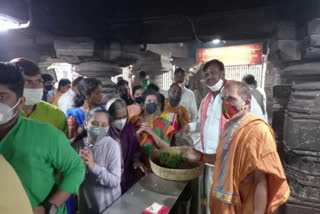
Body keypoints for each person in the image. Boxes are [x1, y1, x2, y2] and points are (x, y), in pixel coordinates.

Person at [183, 80, 290, 214]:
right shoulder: (230, 127)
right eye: (223, 99)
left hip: (244, 205)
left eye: (231, 99)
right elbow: (225, 160)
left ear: (247, 103)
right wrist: (200, 156)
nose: (225, 103)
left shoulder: (258, 131)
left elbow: (260, 181)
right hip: (226, 204)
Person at [180, 59, 265, 214]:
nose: (209, 77)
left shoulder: (237, 95)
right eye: (206, 74)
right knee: (210, 201)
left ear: (222, 73)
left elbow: (257, 123)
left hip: (231, 163)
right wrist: (190, 127)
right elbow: (201, 122)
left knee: (228, 204)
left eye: (213, 72)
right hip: (208, 162)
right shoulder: (206, 99)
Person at [0, 62, 85, 214]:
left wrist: (49, 207)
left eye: (2, 97)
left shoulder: (46, 134)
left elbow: (75, 168)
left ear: (20, 102)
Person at [72, 107, 121, 213]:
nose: (99, 128)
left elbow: (115, 181)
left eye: (103, 125)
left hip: (109, 207)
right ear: (85, 125)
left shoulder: (112, 146)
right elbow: (73, 178)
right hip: (86, 206)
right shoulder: (78, 146)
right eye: (94, 124)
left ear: (108, 128)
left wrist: (93, 166)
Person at [11, 58, 69, 136]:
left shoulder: (56, 115)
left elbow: (64, 145)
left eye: (39, 81)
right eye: (27, 82)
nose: (36, 87)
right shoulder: (4, 115)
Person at [106, 98, 143, 193]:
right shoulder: (104, 132)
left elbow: (135, 150)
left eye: (124, 117)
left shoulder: (130, 129)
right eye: (118, 118)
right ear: (109, 117)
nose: (122, 121)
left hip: (127, 179)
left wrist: (136, 161)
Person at [130, 89, 175, 155]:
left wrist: (152, 133)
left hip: (155, 162)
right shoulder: (134, 121)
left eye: (155, 102)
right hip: (135, 161)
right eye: (149, 101)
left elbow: (166, 148)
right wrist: (136, 134)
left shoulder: (163, 123)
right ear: (142, 105)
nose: (152, 103)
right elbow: (126, 142)